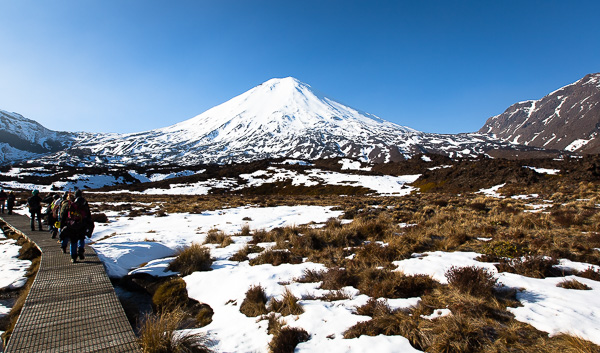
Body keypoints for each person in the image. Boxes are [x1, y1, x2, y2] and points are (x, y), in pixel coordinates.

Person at [61, 190, 94, 263]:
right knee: (81, 238)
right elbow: (88, 214)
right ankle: (81, 250)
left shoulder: (71, 204)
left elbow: (65, 214)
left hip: (72, 225)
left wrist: (63, 223)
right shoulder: (84, 203)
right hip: (82, 224)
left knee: (73, 241)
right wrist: (89, 223)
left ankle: (73, 257)